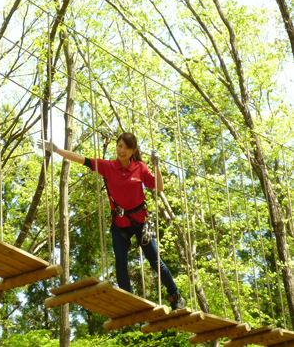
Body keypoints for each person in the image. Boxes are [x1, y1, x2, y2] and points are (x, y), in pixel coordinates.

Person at [37, 132, 186, 311]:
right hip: (120, 223)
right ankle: (127, 298)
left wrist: (156, 166)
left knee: (155, 262)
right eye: (119, 145)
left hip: (140, 221)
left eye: (126, 147)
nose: (121, 150)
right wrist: (55, 149)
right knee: (120, 262)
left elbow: (158, 187)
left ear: (133, 151)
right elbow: (80, 159)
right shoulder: (107, 166)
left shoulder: (140, 167)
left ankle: (175, 296)